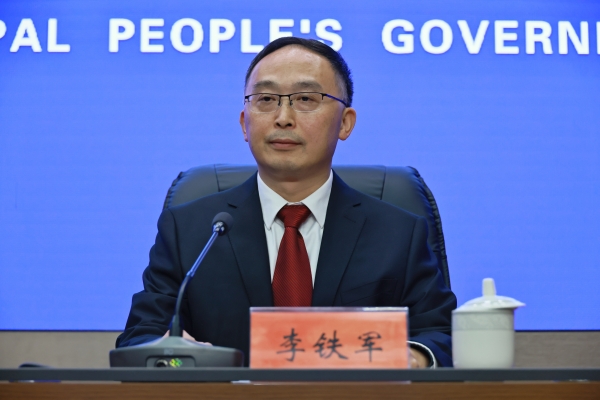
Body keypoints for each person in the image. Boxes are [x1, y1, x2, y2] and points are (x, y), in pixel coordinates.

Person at [116, 37, 457, 368]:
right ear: (244, 123)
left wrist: (412, 357)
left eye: (305, 98)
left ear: (345, 122)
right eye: (266, 99)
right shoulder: (191, 230)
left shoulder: (398, 233)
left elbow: (441, 335)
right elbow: (140, 338)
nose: (283, 117)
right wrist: (179, 359)